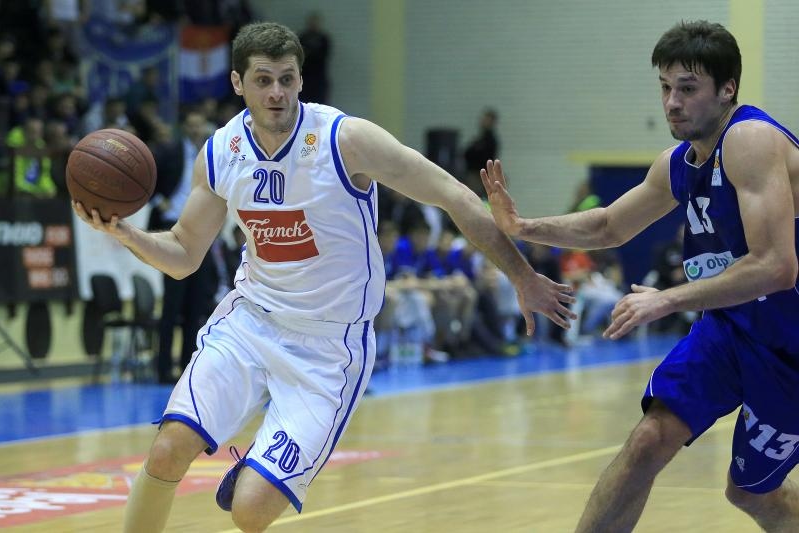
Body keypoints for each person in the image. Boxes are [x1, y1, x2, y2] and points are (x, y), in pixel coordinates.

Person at [72, 22, 575, 532]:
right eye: (263, 80)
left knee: (249, 513)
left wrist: (522, 275)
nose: (277, 92)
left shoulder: (346, 140)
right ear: (237, 83)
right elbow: (183, 253)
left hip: (329, 349)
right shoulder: (221, 153)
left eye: (287, 79)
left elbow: (455, 196)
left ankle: (258, 471)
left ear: (300, 80)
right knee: (167, 449)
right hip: (250, 323)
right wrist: (126, 233)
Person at [481, 20, 799, 532]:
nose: (672, 102)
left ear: (728, 89)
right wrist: (524, 226)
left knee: (750, 493)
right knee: (649, 439)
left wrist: (667, 299)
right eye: (666, 87)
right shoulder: (679, 162)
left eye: (688, 88)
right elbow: (609, 225)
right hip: (734, 328)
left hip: (792, 343)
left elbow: (777, 267)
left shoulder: (750, 140)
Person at [148, 109, 218, 384]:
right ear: (184, 127)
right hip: (172, 228)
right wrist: (158, 201)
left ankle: (188, 367)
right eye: (191, 124)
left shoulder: (212, 153)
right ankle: (163, 368)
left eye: (200, 124)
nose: (196, 129)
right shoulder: (170, 150)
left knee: (196, 305)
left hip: (201, 232)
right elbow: (146, 177)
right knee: (172, 305)